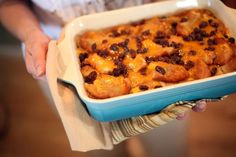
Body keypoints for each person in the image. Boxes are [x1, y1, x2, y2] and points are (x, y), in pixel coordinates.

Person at [0, 0, 216, 155]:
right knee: (102, 152)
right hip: (59, 60)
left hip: (150, 33)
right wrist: (31, 34)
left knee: (167, 147)